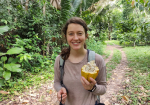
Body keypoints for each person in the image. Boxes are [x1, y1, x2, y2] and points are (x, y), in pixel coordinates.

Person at [54, 17, 106, 105]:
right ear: (65, 36)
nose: (75, 38)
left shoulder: (97, 59)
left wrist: (92, 88)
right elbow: (57, 82)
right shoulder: (60, 60)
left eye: (79, 33)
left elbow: (103, 88)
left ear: (86, 36)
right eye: (71, 34)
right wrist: (60, 89)